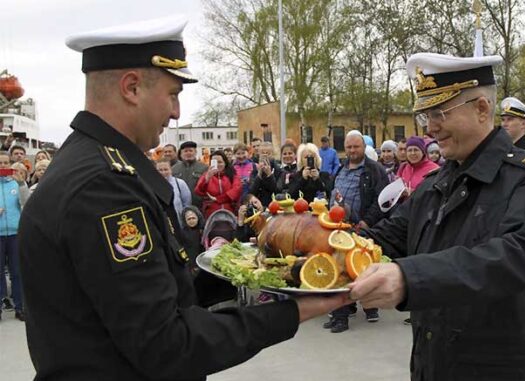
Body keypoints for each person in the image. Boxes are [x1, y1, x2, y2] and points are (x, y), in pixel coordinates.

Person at [17, 16, 346, 380]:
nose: (176, 113)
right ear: (131, 87)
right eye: (173, 95)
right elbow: (166, 344)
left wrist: (260, 273)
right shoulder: (104, 187)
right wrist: (292, 312)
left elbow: (159, 295)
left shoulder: (93, 162)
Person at [348, 53, 525, 380]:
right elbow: (383, 239)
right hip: (436, 364)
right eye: (426, 115)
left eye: (440, 112)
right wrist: (310, 244)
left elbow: (516, 258)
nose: (431, 126)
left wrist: (410, 278)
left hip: (505, 368)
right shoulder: (435, 185)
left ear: (482, 108)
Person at [325, 130, 389, 333]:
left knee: (354, 272)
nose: (352, 150)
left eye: (356, 146)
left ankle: (345, 316)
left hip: (361, 229)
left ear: (364, 147)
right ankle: (340, 313)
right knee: (340, 272)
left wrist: (366, 222)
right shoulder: (341, 169)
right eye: (349, 147)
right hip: (340, 228)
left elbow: (383, 200)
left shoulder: (375, 170)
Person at [0, 152, 29, 321]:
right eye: (0, 163)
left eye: (5, 163)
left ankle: (20, 307)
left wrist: (22, 184)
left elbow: (26, 202)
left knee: (17, 272)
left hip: (15, 234)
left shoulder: (16, 184)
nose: (2, 166)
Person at [194, 150, 242, 219]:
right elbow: (198, 191)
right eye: (215, 162)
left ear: (225, 163)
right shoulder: (206, 175)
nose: (218, 165)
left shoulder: (232, 175)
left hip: (230, 212)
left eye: (220, 162)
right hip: (211, 214)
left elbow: (236, 190)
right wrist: (206, 179)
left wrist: (217, 199)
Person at [172, 140, 208, 207]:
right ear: (181, 154)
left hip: (199, 206)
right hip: (180, 206)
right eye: (185, 151)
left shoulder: (204, 168)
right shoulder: (174, 169)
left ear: (195, 152)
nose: (188, 153)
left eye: (191, 151)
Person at [156, 158, 191, 223]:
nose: (163, 172)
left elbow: (187, 205)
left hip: (179, 222)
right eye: (160, 170)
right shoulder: (152, 185)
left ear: (171, 170)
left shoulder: (180, 183)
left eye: (166, 169)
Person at [248, 141, 280, 206]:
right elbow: (252, 192)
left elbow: (277, 191)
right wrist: (259, 174)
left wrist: (269, 175)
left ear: (272, 155)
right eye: (262, 153)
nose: (265, 156)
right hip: (259, 205)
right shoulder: (255, 171)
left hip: (275, 205)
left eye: (268, 153)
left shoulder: (278, 170)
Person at [181, 206, 205, 278]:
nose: (191, 221)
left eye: (193, 218)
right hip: (190, 265)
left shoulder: (204, 230)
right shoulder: (182, 233)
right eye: (189, 219)